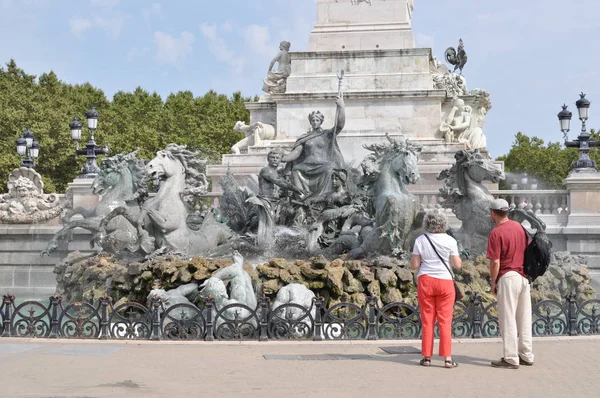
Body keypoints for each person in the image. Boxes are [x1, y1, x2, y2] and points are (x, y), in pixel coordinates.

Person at [411, 209, 462, 368]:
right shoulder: (450, 241)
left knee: (427, 320)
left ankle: (426, 357)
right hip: (445, 282)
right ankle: (447, 359)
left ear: (427, 223)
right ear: (444, 224)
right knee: (445, 321)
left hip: (426, 280)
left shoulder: (420, 239)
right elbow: (457, 265)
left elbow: (414, 265)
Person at [487, 198, 534, 369]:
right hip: (523, 277)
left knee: (507, 318)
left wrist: (493, 281)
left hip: (507, 277)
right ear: (506, 211)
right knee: (524, 318)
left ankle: (510, 357)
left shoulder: (496, 232)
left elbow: (495, 262)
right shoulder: (519, 227)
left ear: (493, 213)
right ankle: (526, 354)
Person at [282, 96, 345, 200]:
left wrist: (341, 107)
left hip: (323, 165)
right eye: (313, 120)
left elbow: (340, 125)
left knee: (329, 169)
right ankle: (301, 197)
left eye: (317, 120)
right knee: (296, 170)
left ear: (321, 122)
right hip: (307, 165)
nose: (315, 122)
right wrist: (284, 158)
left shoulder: (327, 134)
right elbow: (296, 153)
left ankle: (323, 197)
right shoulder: (305, 137)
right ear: (310, 122)